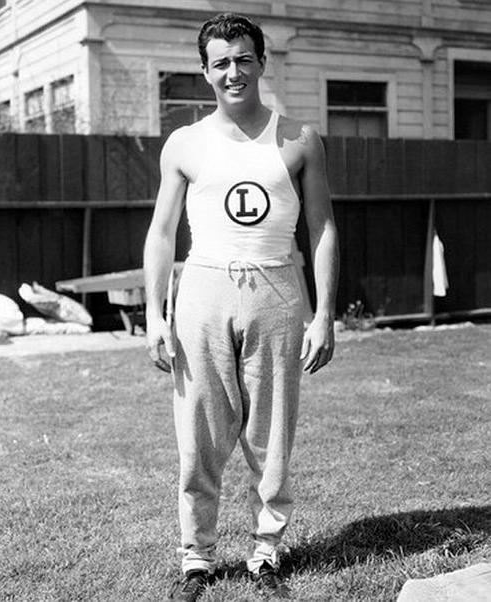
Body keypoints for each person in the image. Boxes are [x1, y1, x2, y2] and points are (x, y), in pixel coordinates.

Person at [143, 12, 339, 602]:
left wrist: (323, 315)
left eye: (244, 59)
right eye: (221, 63)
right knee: (199, 434)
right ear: (205, 71)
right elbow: (162, 233)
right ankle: (196, 556)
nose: (234, 72)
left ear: (261, 62)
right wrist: (154, 314)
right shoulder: (185, 143)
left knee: (270, 434)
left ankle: (266, 550)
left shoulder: (299, 139)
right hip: (203, 291)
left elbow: (322, 229)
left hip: (276, 290)